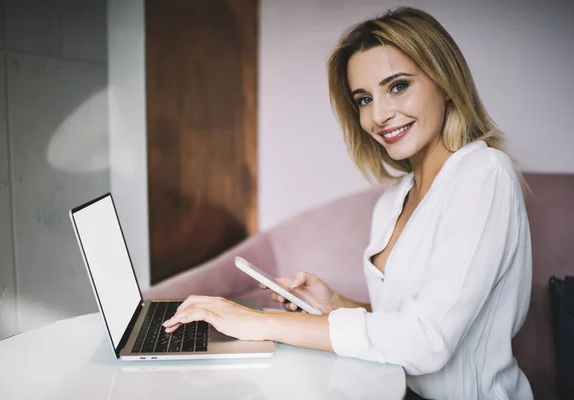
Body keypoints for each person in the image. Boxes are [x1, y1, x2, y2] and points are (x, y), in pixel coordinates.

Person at [163, 7, 533, 400]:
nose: (379, 115)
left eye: (398, 86)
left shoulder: (483, 173)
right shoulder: (392, 202)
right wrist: (335, 306)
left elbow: (427, 343)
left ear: (444, 80)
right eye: (363, 99)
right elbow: (404, 325)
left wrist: (260, 323)